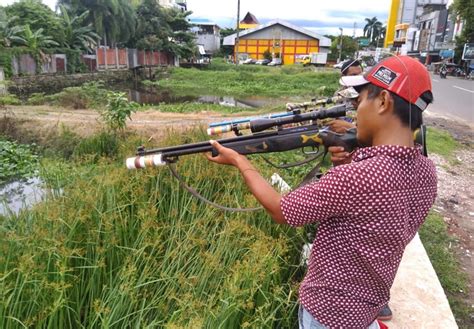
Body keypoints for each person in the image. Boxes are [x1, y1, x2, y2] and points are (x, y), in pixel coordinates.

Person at [206, 55, 437, 328]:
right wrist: (353, 163)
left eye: (360, 101)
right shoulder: (427, 172)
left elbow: (282, 210)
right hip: (365, 311)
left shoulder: (357, 178)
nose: (355, 110)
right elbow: (377, 215)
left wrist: (239, 161)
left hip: (328, 313)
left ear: (384, 102)